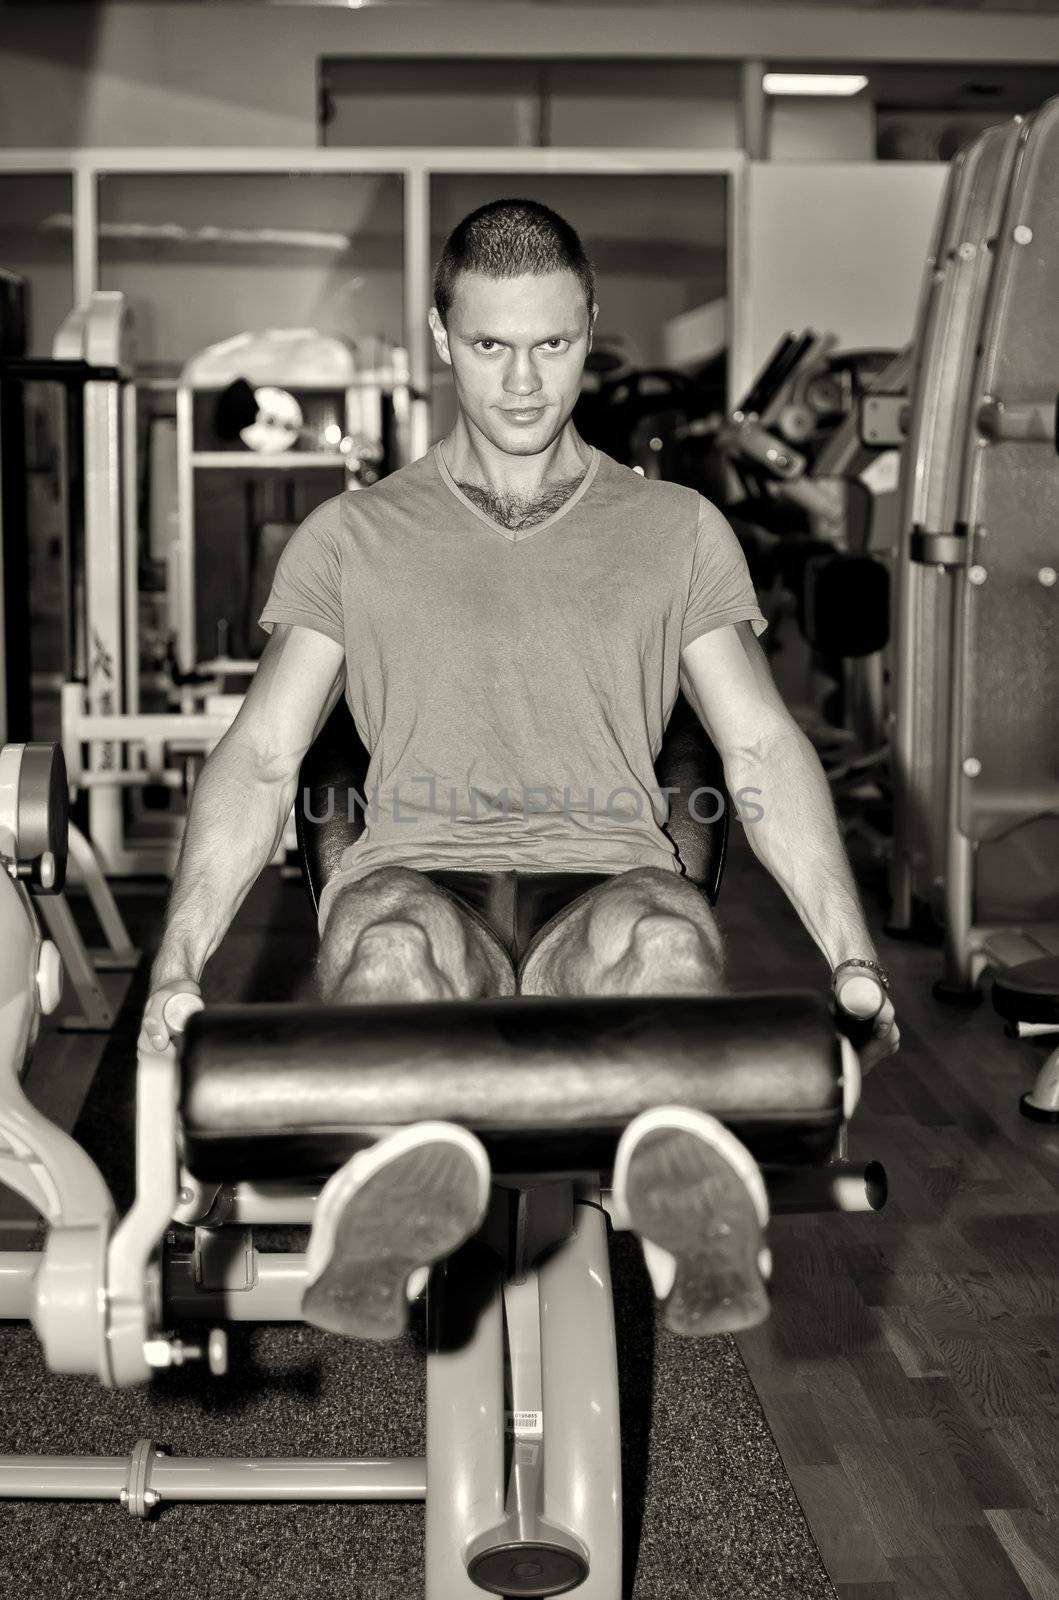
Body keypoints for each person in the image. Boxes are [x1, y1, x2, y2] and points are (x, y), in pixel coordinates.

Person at [141, 199, 899, 1343]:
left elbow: (757, 747)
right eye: (491, 345)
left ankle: (686, 1208)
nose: (525, 381)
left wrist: (852, 956)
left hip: (601, 878)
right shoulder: (352, 535)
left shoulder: (678, 527)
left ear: (590, 327)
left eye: (552, 344)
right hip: (416, 870)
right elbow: (261, 758)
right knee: (389, 949)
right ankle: (399, 1198)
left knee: (669, 942)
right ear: (442, 336)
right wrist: (177, 965)